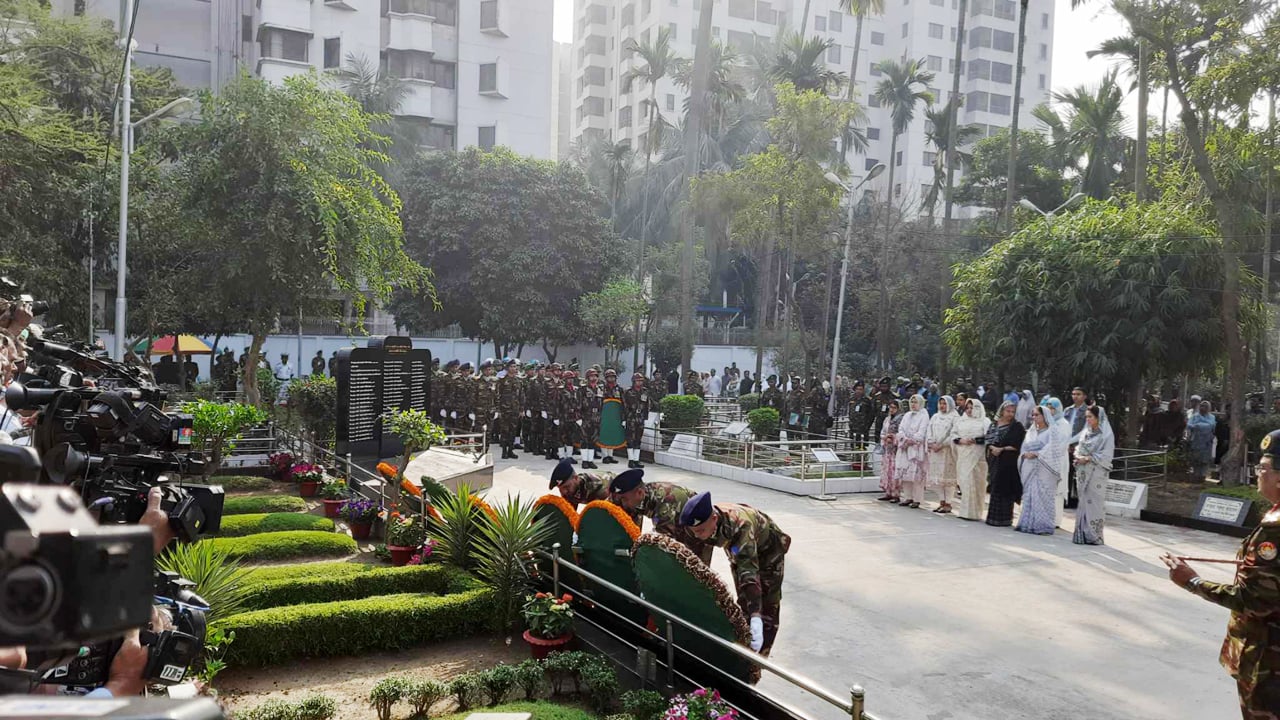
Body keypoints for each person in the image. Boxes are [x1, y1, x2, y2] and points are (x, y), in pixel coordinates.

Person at [1162, 428, 1280, 719]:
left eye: (1263, 468)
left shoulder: (1274, 533)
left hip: (1269, 662)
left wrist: (1192, 582)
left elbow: (1254, 600)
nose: (1257, 474)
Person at [679, 491, 790, 655]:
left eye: (701, 531)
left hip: (768, 553)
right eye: (694, 531)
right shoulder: (698, 525)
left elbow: (749, 573)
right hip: (738, 549)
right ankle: (741, 649)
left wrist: (756, 616)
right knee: (744, 602)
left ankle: (758, 659)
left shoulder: (740, 526)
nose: (698, 536)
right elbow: (694, 560)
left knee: (766, 609)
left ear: (714, 519)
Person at [608, 469, 710, 562]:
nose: (622, 503)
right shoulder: (636, 498)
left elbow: (661, 544)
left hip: (697, 527)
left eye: (624, 499)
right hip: (674, 522)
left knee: (694, 566)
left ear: (639, 493)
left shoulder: (665, 502)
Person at [1017, 406, 1065, 535]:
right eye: (1033, 415)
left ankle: (1043, 526)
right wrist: (1025, 454)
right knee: (1029, 495)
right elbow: (1024, 447)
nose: (1034, 417)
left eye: (1037, 415)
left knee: (1043, 495)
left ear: (1045, 416)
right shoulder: (1031, 432)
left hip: (1044, 468)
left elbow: (1053, 449)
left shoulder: (1052, 431)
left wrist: (1037, 454)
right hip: (1029, 467)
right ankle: (1027, 524)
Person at [1071, 405, 1114, 545]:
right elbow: (1079, 446)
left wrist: (1088, 458)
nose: (1088, 419)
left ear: (1098, 418)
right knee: (1083, 502)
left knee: (1094, 503)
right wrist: (1077, 455)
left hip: (1097, 474)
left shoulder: (1106, 435)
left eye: (1091, 417)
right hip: (1083, 472)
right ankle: (1081, 533)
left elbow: (1107, 455)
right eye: (1087, 417)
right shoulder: (1086, 432)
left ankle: (1094, 535)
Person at [985, 400, 1026, 527]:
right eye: (1008, 411)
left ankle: (1006, 519)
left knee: (1006, 488)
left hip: (1009, 462)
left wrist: (1002, 449)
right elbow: (988, 440)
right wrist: (993, 448)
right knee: (995, 486)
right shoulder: (994, 424)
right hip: (995, 460)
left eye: (1013, 412)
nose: (1010, 414)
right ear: (1002, 411)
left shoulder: (1017, 427)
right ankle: (992, 517)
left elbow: (1019, 445)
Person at [951, 398, 991, 521]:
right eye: (967, 408)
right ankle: (965, 511)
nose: (969, 410)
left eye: (971, 408)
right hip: (963, 455)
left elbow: (990, 437)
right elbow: (953, 434)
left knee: (977, 484)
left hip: (978, 457)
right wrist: (961, 440)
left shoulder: (984, 421)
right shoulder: (961, 420)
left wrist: (975, 440)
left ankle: (975, 513)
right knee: (965, 482)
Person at [895, 394, 930, 508]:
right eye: (912, 402)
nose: (913, 404)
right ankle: (907, 497)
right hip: (905, 447)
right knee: (905, 473)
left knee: (917, 475)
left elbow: (922, 432)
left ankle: (917, 499)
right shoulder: (907, 415)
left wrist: (912, 440)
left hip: (916, 449)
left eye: (915, 402)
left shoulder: (924, 415)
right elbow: (901, 429)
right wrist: (904, 439)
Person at [1043, 396, 1073, 528]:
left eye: (1052, 408)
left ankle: (1055, 520)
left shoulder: (1063, 424)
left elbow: (1060, 445)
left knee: (1057, 490)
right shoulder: (1049, 423)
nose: (1050, 410)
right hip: (1047, 460)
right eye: (1048, 408)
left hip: (1058, 460)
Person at [927, 395, 959, 514]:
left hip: (947, 451)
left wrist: (942, 444)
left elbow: (954, 433)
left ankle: (948, 503)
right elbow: (929, 430)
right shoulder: (935, 416)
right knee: (937, 479)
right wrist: (931, 443)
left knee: (948, 479)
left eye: (945, 404)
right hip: (936, 452)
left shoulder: (955, 417)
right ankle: (941, 501)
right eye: (941, 403)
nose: (942, 406)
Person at [1062, 388, 1089, 509]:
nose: (1075, 396)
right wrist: (1065, 443)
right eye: (1073, 394)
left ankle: (1079, 500)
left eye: (1078, 394)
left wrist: (1071, 443)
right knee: (1065, 472)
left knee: (1079, 473)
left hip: (1079, 445)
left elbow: (1085, 430)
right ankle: (1065, 498)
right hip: (1066, 445)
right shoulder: (1068, 410)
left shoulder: (1087, 411)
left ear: (1084, 396)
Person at [496, 358, 524, 459]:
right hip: (505, 409)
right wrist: (498, 410)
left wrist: (521, 409)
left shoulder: (518, 381)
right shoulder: (502, 381)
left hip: (515, 410)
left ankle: (511, 450)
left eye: (515, 367)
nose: (514, 368)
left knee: (513, 430)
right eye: (512, 367)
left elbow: (521, 396)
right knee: (505, 430)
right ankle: (504, 451)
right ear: (507, 368)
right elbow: (498, 395)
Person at [876, 400, 903, 503]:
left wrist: (893, 438)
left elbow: (902, 433)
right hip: (887, 448)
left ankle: (896, 494)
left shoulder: (901, 419)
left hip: (896, 450)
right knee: (887, 470)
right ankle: (888, 492)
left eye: (894, 408)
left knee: (894, 470)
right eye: (890, 407)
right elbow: (882, 432)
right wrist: (885, 437)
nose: (892, 410)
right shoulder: (887, 419)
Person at [622, 372, 649, 469]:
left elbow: (647, 405)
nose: (639, 382)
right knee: (630, 440)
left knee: (638, 440)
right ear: (633, 381)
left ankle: (636, 460)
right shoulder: (628, 391)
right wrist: (624, 418)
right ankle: (631, 460)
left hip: (640, 418)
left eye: (641, 381)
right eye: (638, 380)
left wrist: (645, 417)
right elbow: (624, 406)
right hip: (631, 417)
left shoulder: (645, 391)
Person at [1189, 401, 1217, 480]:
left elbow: (1211, 426)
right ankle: (1195, 475)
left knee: (1204, 460)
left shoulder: (1212, 417)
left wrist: (1200, 425)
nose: (1202, 408)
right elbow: (1189, 425)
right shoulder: (1195, 416)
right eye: (1201, 406)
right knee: (1195, 459)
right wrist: (1197, 426)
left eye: (1205, 406)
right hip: (1196, 440)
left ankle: (1202, 476)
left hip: (1207, 441)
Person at [848, 381, 875, 449]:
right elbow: (850, 412)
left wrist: (866, 427)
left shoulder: (867, 400)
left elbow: (871, 415)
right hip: (853, 429)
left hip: (863, 430)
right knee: (853, 446)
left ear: (863, 390)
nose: (858, 391)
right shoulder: (852, 399)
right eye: (857, 389)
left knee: (862, 448)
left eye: (860, 389)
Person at [760, 375, 786, 441]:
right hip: (767, 415)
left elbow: (782, 405)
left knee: (776, 433)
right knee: (768, 432)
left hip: (776, 415)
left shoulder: (779, 392)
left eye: (772, 381)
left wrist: (781, 415)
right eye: (769, 381)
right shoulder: (766, 391)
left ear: (775, 382)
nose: (771, 382)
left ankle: (776, 447)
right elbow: (762, 403)